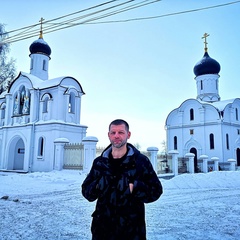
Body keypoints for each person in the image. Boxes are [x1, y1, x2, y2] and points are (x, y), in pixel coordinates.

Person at [82, 119, 163, 240]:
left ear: (128, 135)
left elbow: (156, 190)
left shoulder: (140, 162)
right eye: (113, 132)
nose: (116, 136)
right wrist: (98, 186)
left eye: (121, 132)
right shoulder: (100, 162)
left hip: (132, 230)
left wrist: (134, 187)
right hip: (102, 230)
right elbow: (86, 191)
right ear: (108, 135)